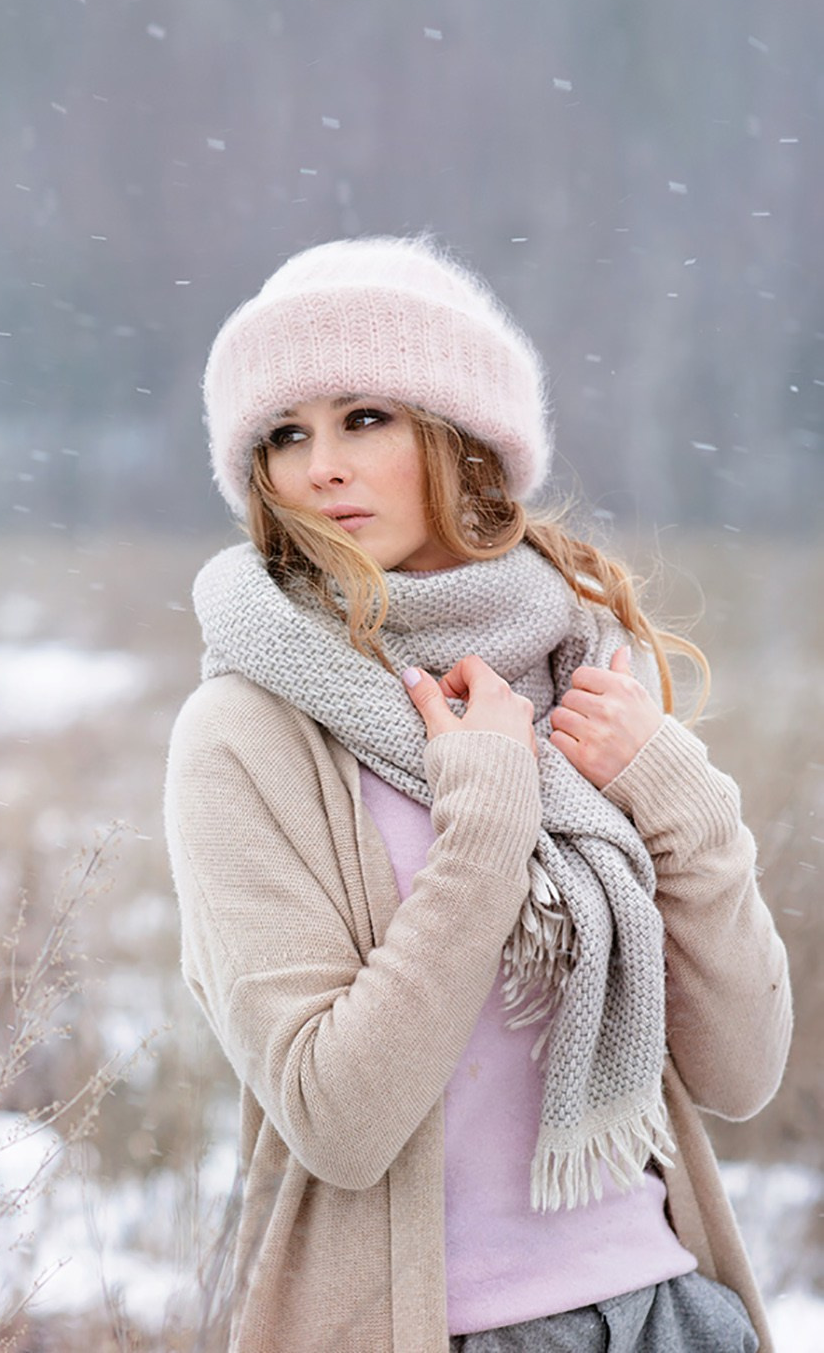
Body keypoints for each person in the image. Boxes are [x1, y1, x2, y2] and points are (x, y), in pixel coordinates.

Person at [164, 236, 792, 1353]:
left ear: (464, 442)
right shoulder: (245, 733)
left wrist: (678, 797)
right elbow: (337, 1118)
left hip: (670, 1308)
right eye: (283, 434)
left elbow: (740, 1071)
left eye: (364, 416)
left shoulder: (580, 676)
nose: (321, 467)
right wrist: (484, 825)